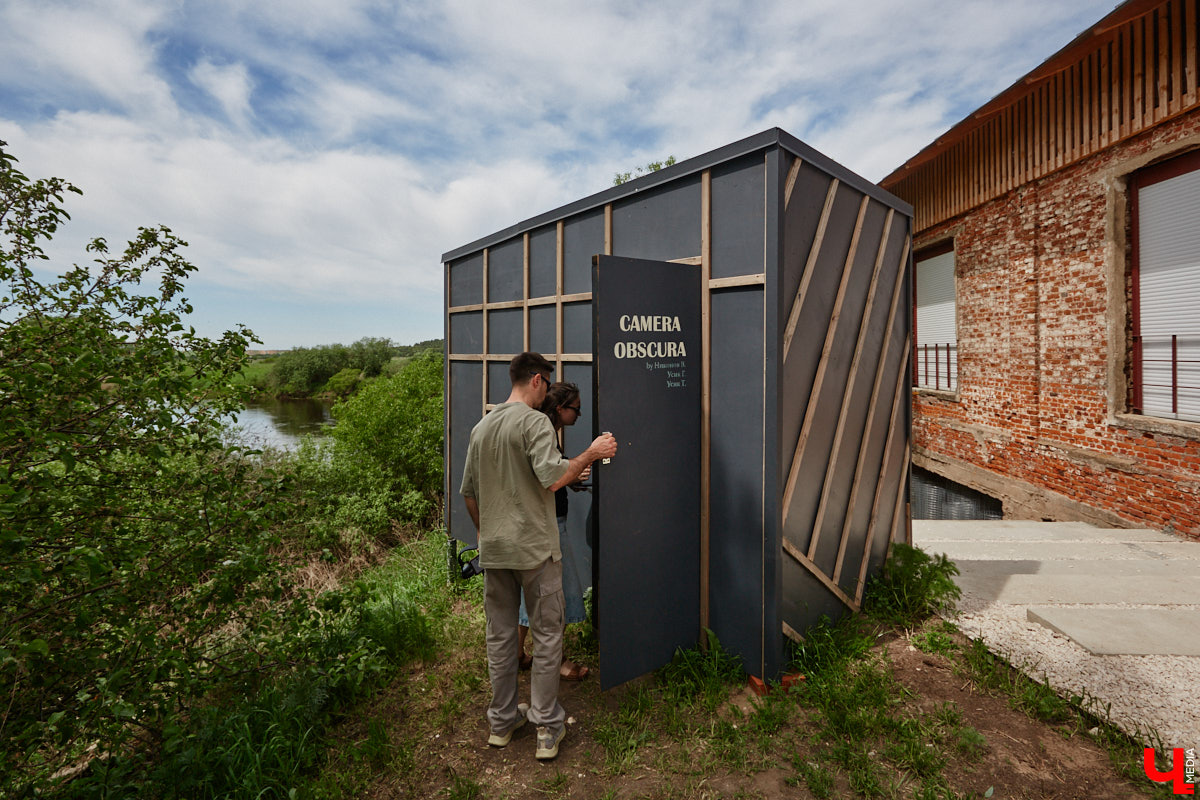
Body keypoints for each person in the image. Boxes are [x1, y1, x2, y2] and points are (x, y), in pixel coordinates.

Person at [460, 352, 616, 761]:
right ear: (536, 380)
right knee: (548, 635)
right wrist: (592, 453)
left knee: (500, 636)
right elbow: (555, 479)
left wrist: (486, 536)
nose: (547, 390)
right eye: (547, 382)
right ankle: (546, 725)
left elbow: (469, 494)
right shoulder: (534, 423)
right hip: (534, 550)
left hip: (495, 552)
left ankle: (502, 721)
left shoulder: (482, 427)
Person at [516, 382, 591, 681]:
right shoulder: (545, 428)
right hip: (549, 523)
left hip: (536, 521)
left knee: (531, 594)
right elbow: (548, 478)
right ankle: (557, 661)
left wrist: (568, 478)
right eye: (576, 408)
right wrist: (590, 455)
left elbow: (545, 475)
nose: (579, 415)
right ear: (560, 408)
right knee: (555, 595)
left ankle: (517, 653)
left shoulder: (541, 426)